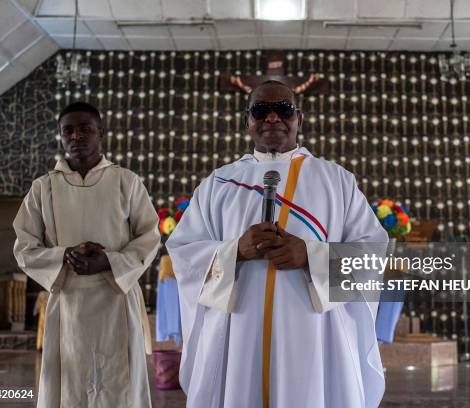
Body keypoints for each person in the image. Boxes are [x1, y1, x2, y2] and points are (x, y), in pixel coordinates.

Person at [166, 80, 389, 407]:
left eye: (283, 109)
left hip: (315, 333)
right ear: (248, 121)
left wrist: (311, 256)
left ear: (299, 118)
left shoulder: (336, 180)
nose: (272, 118)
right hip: (240, 331)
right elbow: (184, 253)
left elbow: (371, 254)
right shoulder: (218, 183)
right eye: (261, 110)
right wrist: (234, 252)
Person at [13, 101, 160, 407]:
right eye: (68, 130)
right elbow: (24, 247)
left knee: (119, 387)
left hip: (116, 296)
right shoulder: (44, 188)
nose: (76, 137)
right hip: (68, 298)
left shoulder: (126, 181)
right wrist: (64, 256)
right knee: (69, 384)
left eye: (85, 129)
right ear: (60, 136)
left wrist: (109, 260)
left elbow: (149, 236)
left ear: (100, 132)